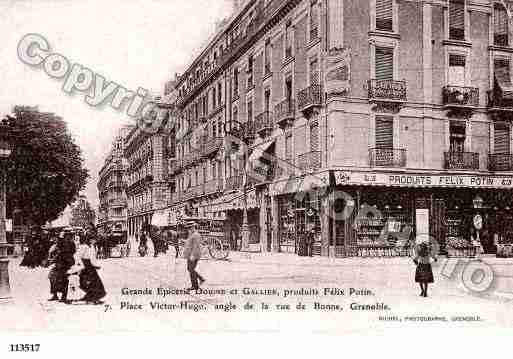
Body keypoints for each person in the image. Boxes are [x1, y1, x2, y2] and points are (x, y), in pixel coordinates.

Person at [76, 236, 106, 304]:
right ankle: (91, 297)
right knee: (86, 282)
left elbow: (92, 259)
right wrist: (81, 265)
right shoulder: (84, 247)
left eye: (95, 240)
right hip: (85, 266)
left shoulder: (92, 247)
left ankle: (93, 297)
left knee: (96, 282)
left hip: (90, 266)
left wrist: (96, 265)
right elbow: (78, 256)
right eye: (93, 240)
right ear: (89, 240)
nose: (94, 241)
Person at [47, 232, 76, 303]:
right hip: (60, 263)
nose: (58, 240)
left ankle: (63, 297)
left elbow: (61, 254)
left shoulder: (67, 244)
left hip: (65, 264)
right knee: (52, 276)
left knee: (63, 279)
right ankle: (55, 295)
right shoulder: (61, 244)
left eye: (60, 238)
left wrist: (52, 261)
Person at [183, 223, 205, 290]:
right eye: (188, 228)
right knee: (190, 269)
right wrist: (184, 242)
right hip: (190, 255)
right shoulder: (191, 235)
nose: (189, 229)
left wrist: (193, 255)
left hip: (194, 255)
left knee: (191, 269)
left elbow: (196, 246)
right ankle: (200, 279)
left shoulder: (196, 235)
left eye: (190, 228)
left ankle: (195, 286)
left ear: (193, 227)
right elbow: (190, 243)